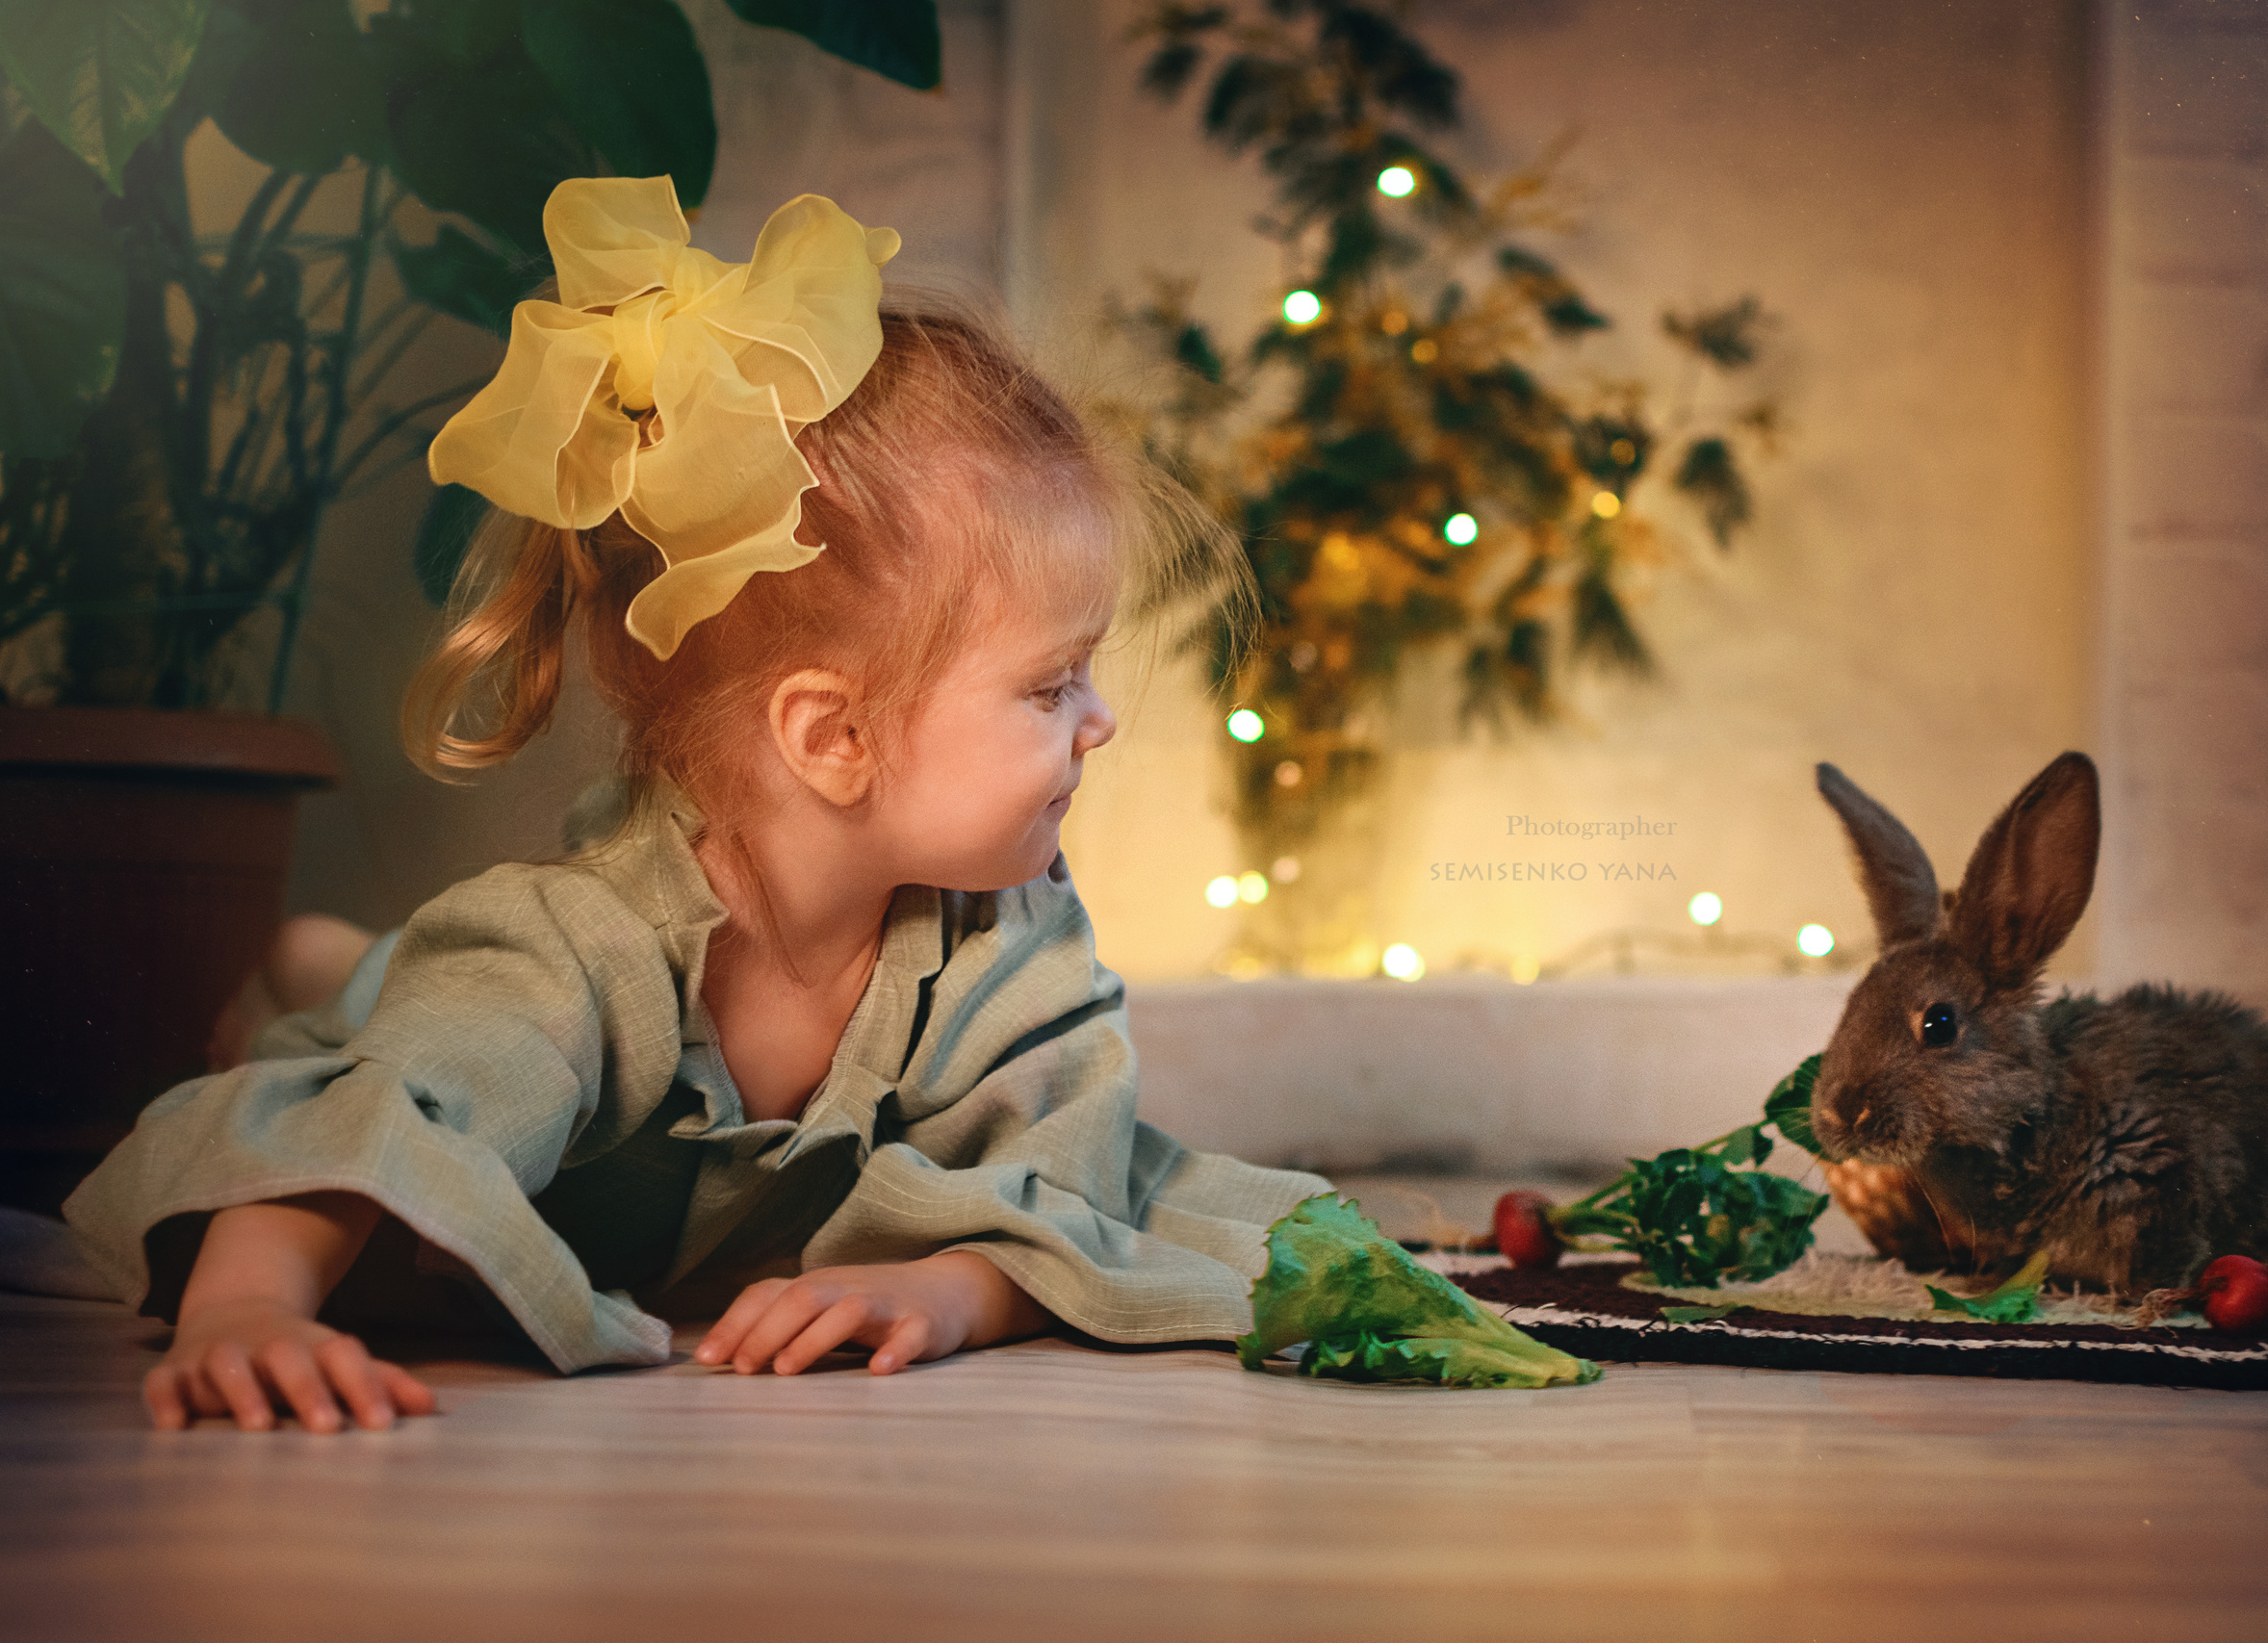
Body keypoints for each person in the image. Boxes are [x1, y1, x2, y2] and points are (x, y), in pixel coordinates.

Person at [65, 176, 1326, 1433]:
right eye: (1052, 685)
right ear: (834, 737)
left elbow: (1060, 1181)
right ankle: (341, 975)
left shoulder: (1012, 935)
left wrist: (950, 1290)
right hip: (493, 999)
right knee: (428, 1026)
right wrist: (247, 1308)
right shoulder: (575, 949)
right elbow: (380, 1120)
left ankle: (353, 962)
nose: (1100, 721)